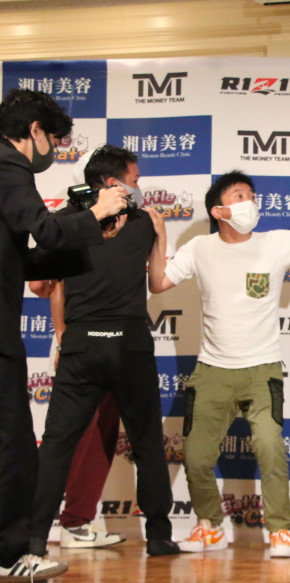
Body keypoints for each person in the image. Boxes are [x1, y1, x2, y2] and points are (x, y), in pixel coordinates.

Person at [147, 171, 290, 558]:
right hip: (211, 371)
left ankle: (281, 530)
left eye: (252, 196)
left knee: (271, 448)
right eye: (240, 196)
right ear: (219, 210)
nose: (250, 203)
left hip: (262, 371)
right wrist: (160, 238)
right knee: (196, 456)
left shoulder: (275, 244)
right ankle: (209, 527)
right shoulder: (200, 248)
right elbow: (157, 283)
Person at [29, 144, 181, 559]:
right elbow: (157, 282)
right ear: (113, 182)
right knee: (147, 442)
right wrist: (161, 236)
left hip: (80, 344)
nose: (139, 187)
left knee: (57, 444)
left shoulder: (64, 222)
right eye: (134, 180)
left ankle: (34, 540)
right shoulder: (144, 221)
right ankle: (160, 536)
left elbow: (39, 283)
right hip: (129, 343)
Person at [0, 89, 127, 580]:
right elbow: (46, 231)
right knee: (14, 449)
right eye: (53, 139)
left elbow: (27, 261)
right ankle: (11, 556)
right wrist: (95, 212)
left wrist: (91, 235)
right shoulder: (9, 165)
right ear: (34, 131)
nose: (54, 150)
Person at [27, 279, 125, 551]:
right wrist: (62, 338)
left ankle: (75, 522)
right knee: (71, 439)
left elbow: (39, 286)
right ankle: (36, 527)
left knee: (99, 436)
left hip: (109, 346)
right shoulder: (74, 247)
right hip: (81, 346)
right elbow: (39, 285)